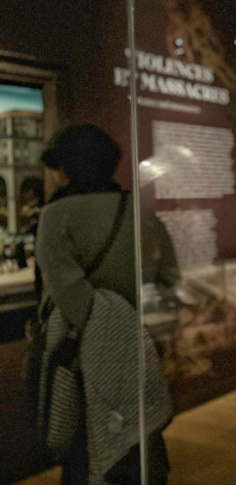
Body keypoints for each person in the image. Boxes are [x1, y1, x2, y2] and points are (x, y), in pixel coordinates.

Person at [36, 124, 175, 485]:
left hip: (82, 354)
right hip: (137, 346)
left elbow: (69, 296)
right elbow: (170, 275)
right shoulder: (140, 210)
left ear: (67, 167)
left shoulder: (56, 216)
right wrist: (129, 319)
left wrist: (102, 325)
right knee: (140, 440)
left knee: (86, 452)